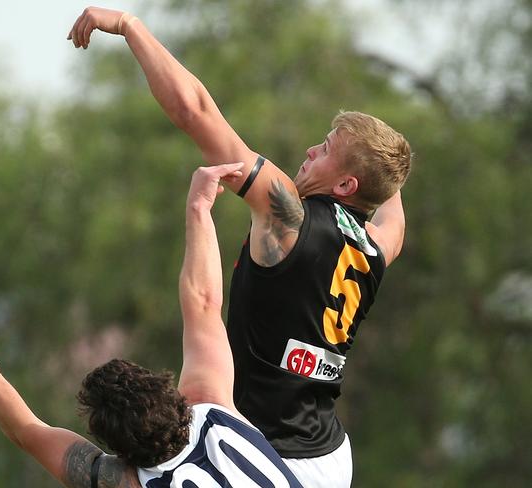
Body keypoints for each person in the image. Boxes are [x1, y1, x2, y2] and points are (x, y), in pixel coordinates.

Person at [68, 6, 413, 487]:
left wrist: (131, 27)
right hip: (330, 456)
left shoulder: (287, 215)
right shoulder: (377, 248)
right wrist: (382, 163)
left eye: (327, 149)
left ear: (346, 185)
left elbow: (195, 113)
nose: (312, 150)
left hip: (264, 455)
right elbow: (391, 209)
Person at [0, 163, 305, 488]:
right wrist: (199, 208)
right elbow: (204, 301)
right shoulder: (212, 406)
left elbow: (26, 430)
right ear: (171, 394)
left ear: (117, 451)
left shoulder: (125, 481)